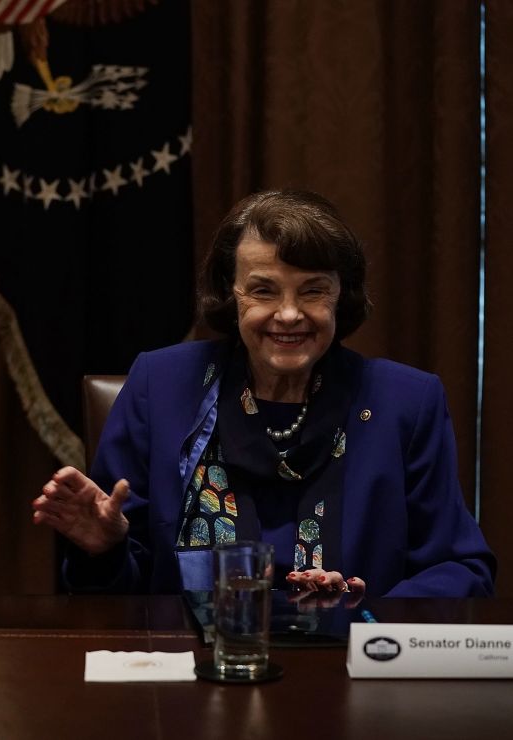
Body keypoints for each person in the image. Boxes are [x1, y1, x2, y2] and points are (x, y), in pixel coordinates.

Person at [33, 189, 495, 599]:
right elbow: (118, 587)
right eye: (264, 291)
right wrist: (105, 550)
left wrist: (365, 613)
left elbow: (460, 568)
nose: (289, 314)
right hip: (189, 674)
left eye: (313, 291)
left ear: (342, 297)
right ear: (230, 296)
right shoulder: (161, 384)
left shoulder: (406, 401)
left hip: (350, 670)